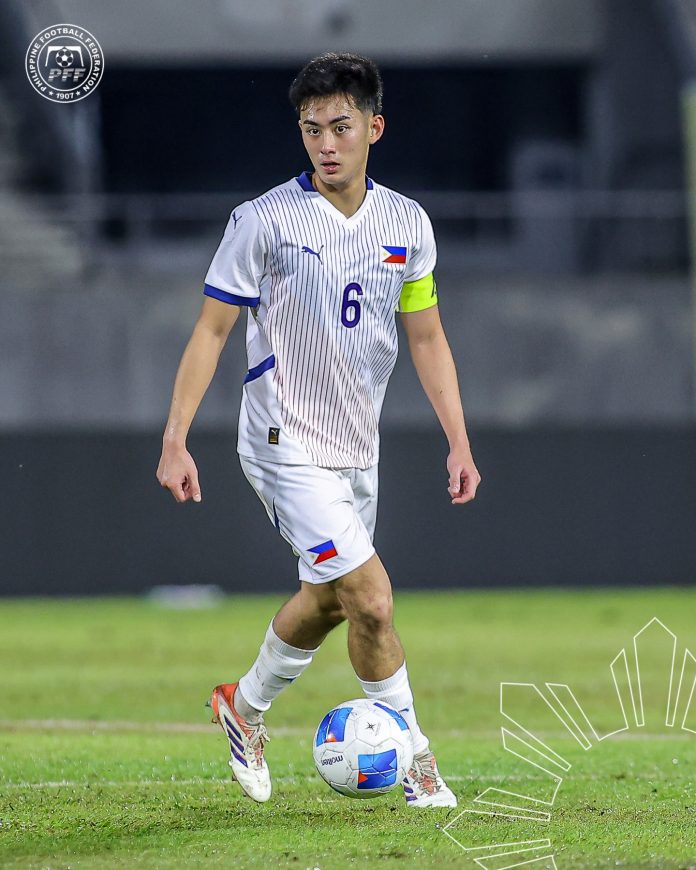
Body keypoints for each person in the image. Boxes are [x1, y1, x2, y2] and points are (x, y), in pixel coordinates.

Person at [156, 52, 481, 808]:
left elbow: (426, 336)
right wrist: (175, 436)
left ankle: (243, 706)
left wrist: (459, 439)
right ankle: (418, 760)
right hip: (283, 440)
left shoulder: (407, 224)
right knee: (372, 597)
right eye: (311, 130)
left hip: (355, 446)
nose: (326, 144)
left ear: (375, 127)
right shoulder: (263, 221)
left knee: (331, 601)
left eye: (341, 127)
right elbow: (211, 330)